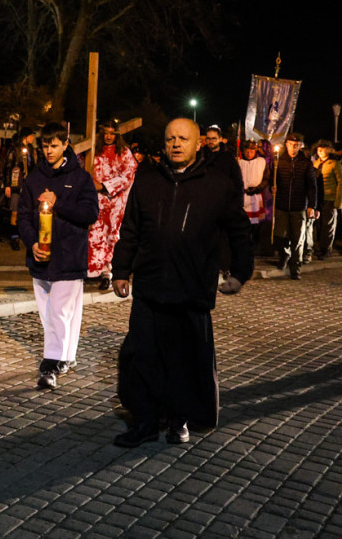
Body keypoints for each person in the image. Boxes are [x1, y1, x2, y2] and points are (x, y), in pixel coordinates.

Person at [111, 118, 253, 447]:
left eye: (183, 138)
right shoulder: (146, 180)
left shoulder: (216, 184)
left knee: (184, 362)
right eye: (170, 138)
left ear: (198, 143)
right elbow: (130, 229)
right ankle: (144, 422)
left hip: (191, 290)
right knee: (144, 359)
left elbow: (239, 231)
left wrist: (241, 273)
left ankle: (179, 420)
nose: (176, 143)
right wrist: (121, 271)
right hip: (149, 289)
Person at [16, 122, 98, 390]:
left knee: (59, 313)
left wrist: (58, 203)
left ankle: (51, 364)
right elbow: (24, 217)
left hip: (69, 256)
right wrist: (31, 244)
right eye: (45, 146)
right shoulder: (33, 179)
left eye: (54, 145)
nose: (49, 150)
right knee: (52, 314)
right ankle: (66, 357)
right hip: (41, 258)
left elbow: (90, 214)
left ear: (65, 144)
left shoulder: (81, 177)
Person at [86, 119, 137, 290]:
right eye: (105, 133)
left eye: (111, 133)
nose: (108, 137)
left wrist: (104, 186)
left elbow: (128, 175)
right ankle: (93, 271)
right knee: (94, 236)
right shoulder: (93, 151)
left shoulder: (124, 152)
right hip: (95, 201)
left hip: (115, 203)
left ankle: (109, 272)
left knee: (112, 237)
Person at [272, 132, 317, 279]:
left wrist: (312, 205)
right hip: (282, 204)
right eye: (291, 144)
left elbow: (312, 186)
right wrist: (272, 188)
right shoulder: (279, 161)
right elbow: (273, 179)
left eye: (296, 145)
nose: (293, 147)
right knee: (281, 235)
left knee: (298, 239)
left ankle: (295, 268)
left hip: (299, 206)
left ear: (300, 146)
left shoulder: (306, 163)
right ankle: (285, 254)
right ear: (286, 145)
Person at [4, 128, 39, 250]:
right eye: (31, 136)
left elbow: (34, 166)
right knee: (15, 210)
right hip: (16, 183)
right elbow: (8, 166)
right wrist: (8, 184)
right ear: (26, 136)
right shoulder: (15, 150)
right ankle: (14, 237)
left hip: (28, 183)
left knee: (28, 210)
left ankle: (25, 234)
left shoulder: (32, 150)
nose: (33, 138)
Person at [312, 140, 342, 259]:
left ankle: (326, 249)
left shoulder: (335, 164)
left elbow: (341, 183)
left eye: (323, 148)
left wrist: (338, 202)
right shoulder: (314, 164)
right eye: (318, 149)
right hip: (317, 199)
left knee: (328, 225)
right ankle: (318, 247)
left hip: (330, 198)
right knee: (318, 225)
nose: (320, 151)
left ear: (329, 150)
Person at [237, 140, 269, 245]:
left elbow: (266, 178)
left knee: (255, 224)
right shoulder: (239, 162)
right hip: (242, 196)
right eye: (247, 150)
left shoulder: (261, 162)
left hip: (255, 196)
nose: (249, 153)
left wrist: (258, 188)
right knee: (242, 222)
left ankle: (253, 244)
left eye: (252, 150)